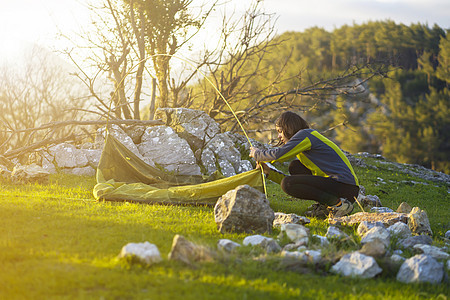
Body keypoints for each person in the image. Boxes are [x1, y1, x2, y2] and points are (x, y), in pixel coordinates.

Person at [249, 111, 359, 218]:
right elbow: (300, 182)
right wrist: (269, 173)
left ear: (289, 128)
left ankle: (339, 205)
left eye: (280, 131)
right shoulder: (305, 138)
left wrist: (257, 153)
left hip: (345, 187)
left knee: (288, 184)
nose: (278, 136)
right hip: (340, 186)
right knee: (295, 167)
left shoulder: (306, 135)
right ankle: (327, 205)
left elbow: (279, 154)